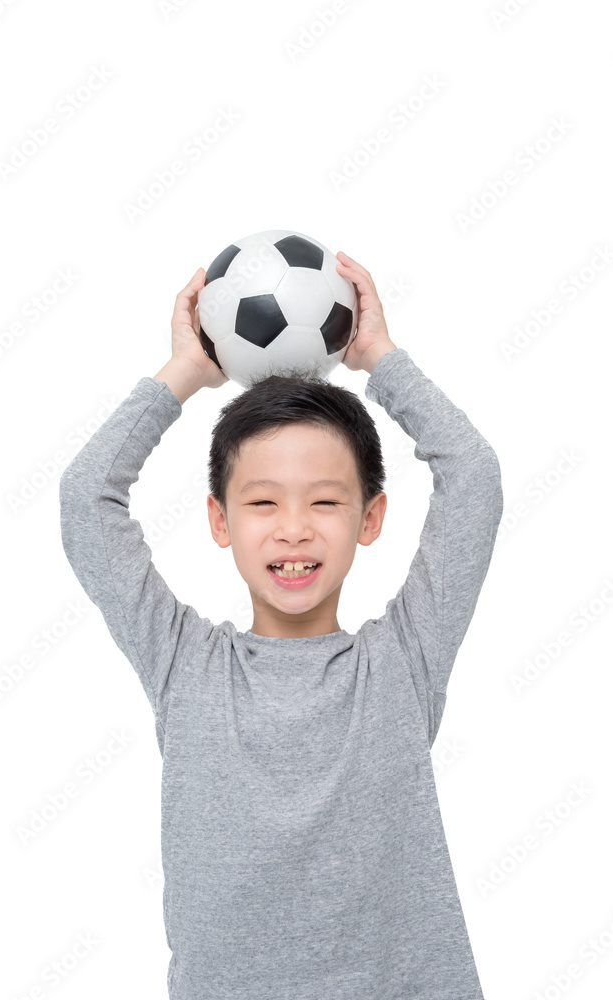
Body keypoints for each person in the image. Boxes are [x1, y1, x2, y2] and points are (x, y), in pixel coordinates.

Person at [59, 251, 503, 999]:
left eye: (324, 503)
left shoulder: (403, 661)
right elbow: (84, 500)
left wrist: (379, 359)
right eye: (263, 503)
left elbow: (473, 474)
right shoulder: (183, 663)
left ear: (370, 519)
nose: (294, 529)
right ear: (219, 521)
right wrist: (183, 374)